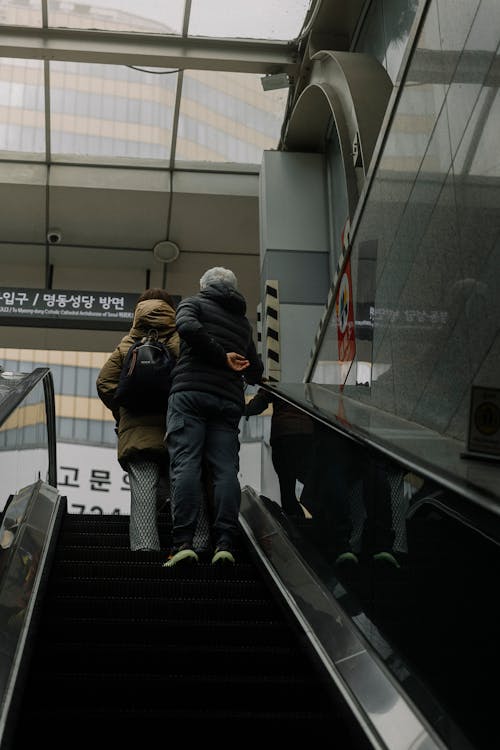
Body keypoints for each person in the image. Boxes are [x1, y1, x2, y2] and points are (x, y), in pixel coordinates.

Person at [164, 266, 264, 567]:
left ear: (204, 285)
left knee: (186, 464)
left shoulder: (193, 303)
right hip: (228, 402)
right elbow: (256, 371)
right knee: (225, 471)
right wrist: (233, 362)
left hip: (190, 394)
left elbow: (187, 328)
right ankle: (225, 544)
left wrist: (220, 356)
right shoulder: (242, 323)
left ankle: (183, 542)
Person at [96, 288, 180, 552]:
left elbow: (104, 383)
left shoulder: (127, 344)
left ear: (138, 313)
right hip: (177, 428)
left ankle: (145, 550)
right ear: (170, 310)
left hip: (136, 430)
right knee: (183, 483)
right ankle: (189, 544)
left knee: (143, 488)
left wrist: (125, 410)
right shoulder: (183, 341)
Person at [244, 387, 314, 517]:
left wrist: (239, 409)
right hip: (307, 436)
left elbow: (258, 405)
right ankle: (319, 519)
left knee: (287, 489)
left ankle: (295, 525)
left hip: (283, 436)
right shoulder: (310, 383)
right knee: (312, 483)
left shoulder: (277, 381)